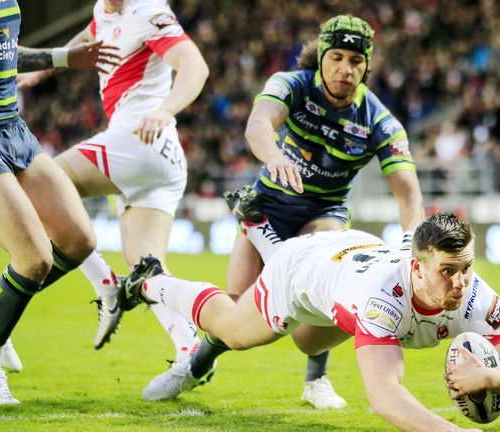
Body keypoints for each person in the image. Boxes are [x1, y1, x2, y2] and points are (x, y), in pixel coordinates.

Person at [145, 14, 424, 407]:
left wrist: (411, 242)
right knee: (237, 315)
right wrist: (274, 155)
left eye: (356, 61)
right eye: (338, 57)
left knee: (320, 290)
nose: (346, 69)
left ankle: (316, 380)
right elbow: (258, 124)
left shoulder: (380, 121)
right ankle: (195, 367)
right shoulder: (290, 84)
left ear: (367, 67)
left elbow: (409, 194)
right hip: (269, 204)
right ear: (322, 56)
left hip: (324, 212)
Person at [118, 213, 500, 431]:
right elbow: (385, 396)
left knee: (308, 344)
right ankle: (150, 281)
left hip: (352, 259)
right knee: (234, 329)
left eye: (467, 267)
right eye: (448, 271)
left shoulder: (477, 297)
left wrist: (494, 379)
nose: (460, 282)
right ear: (418, 268)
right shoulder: (381, 300)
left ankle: (259, 228)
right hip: (304, 273)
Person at [12, 0, 209, 377]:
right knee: (147, 268)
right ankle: (190, 351)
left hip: (138, 139)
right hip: (161, 159)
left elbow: (194, 65)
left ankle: (106, 286)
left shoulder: (149, 12)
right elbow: (90, 35)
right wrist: (46, 70)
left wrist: (167, 109)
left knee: (45, 184)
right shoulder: (107, 8)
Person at [0, 0, 122, 405]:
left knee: (79, 239)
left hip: (11, 128)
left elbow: (4, 51)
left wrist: (65, 57)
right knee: (33, 259)